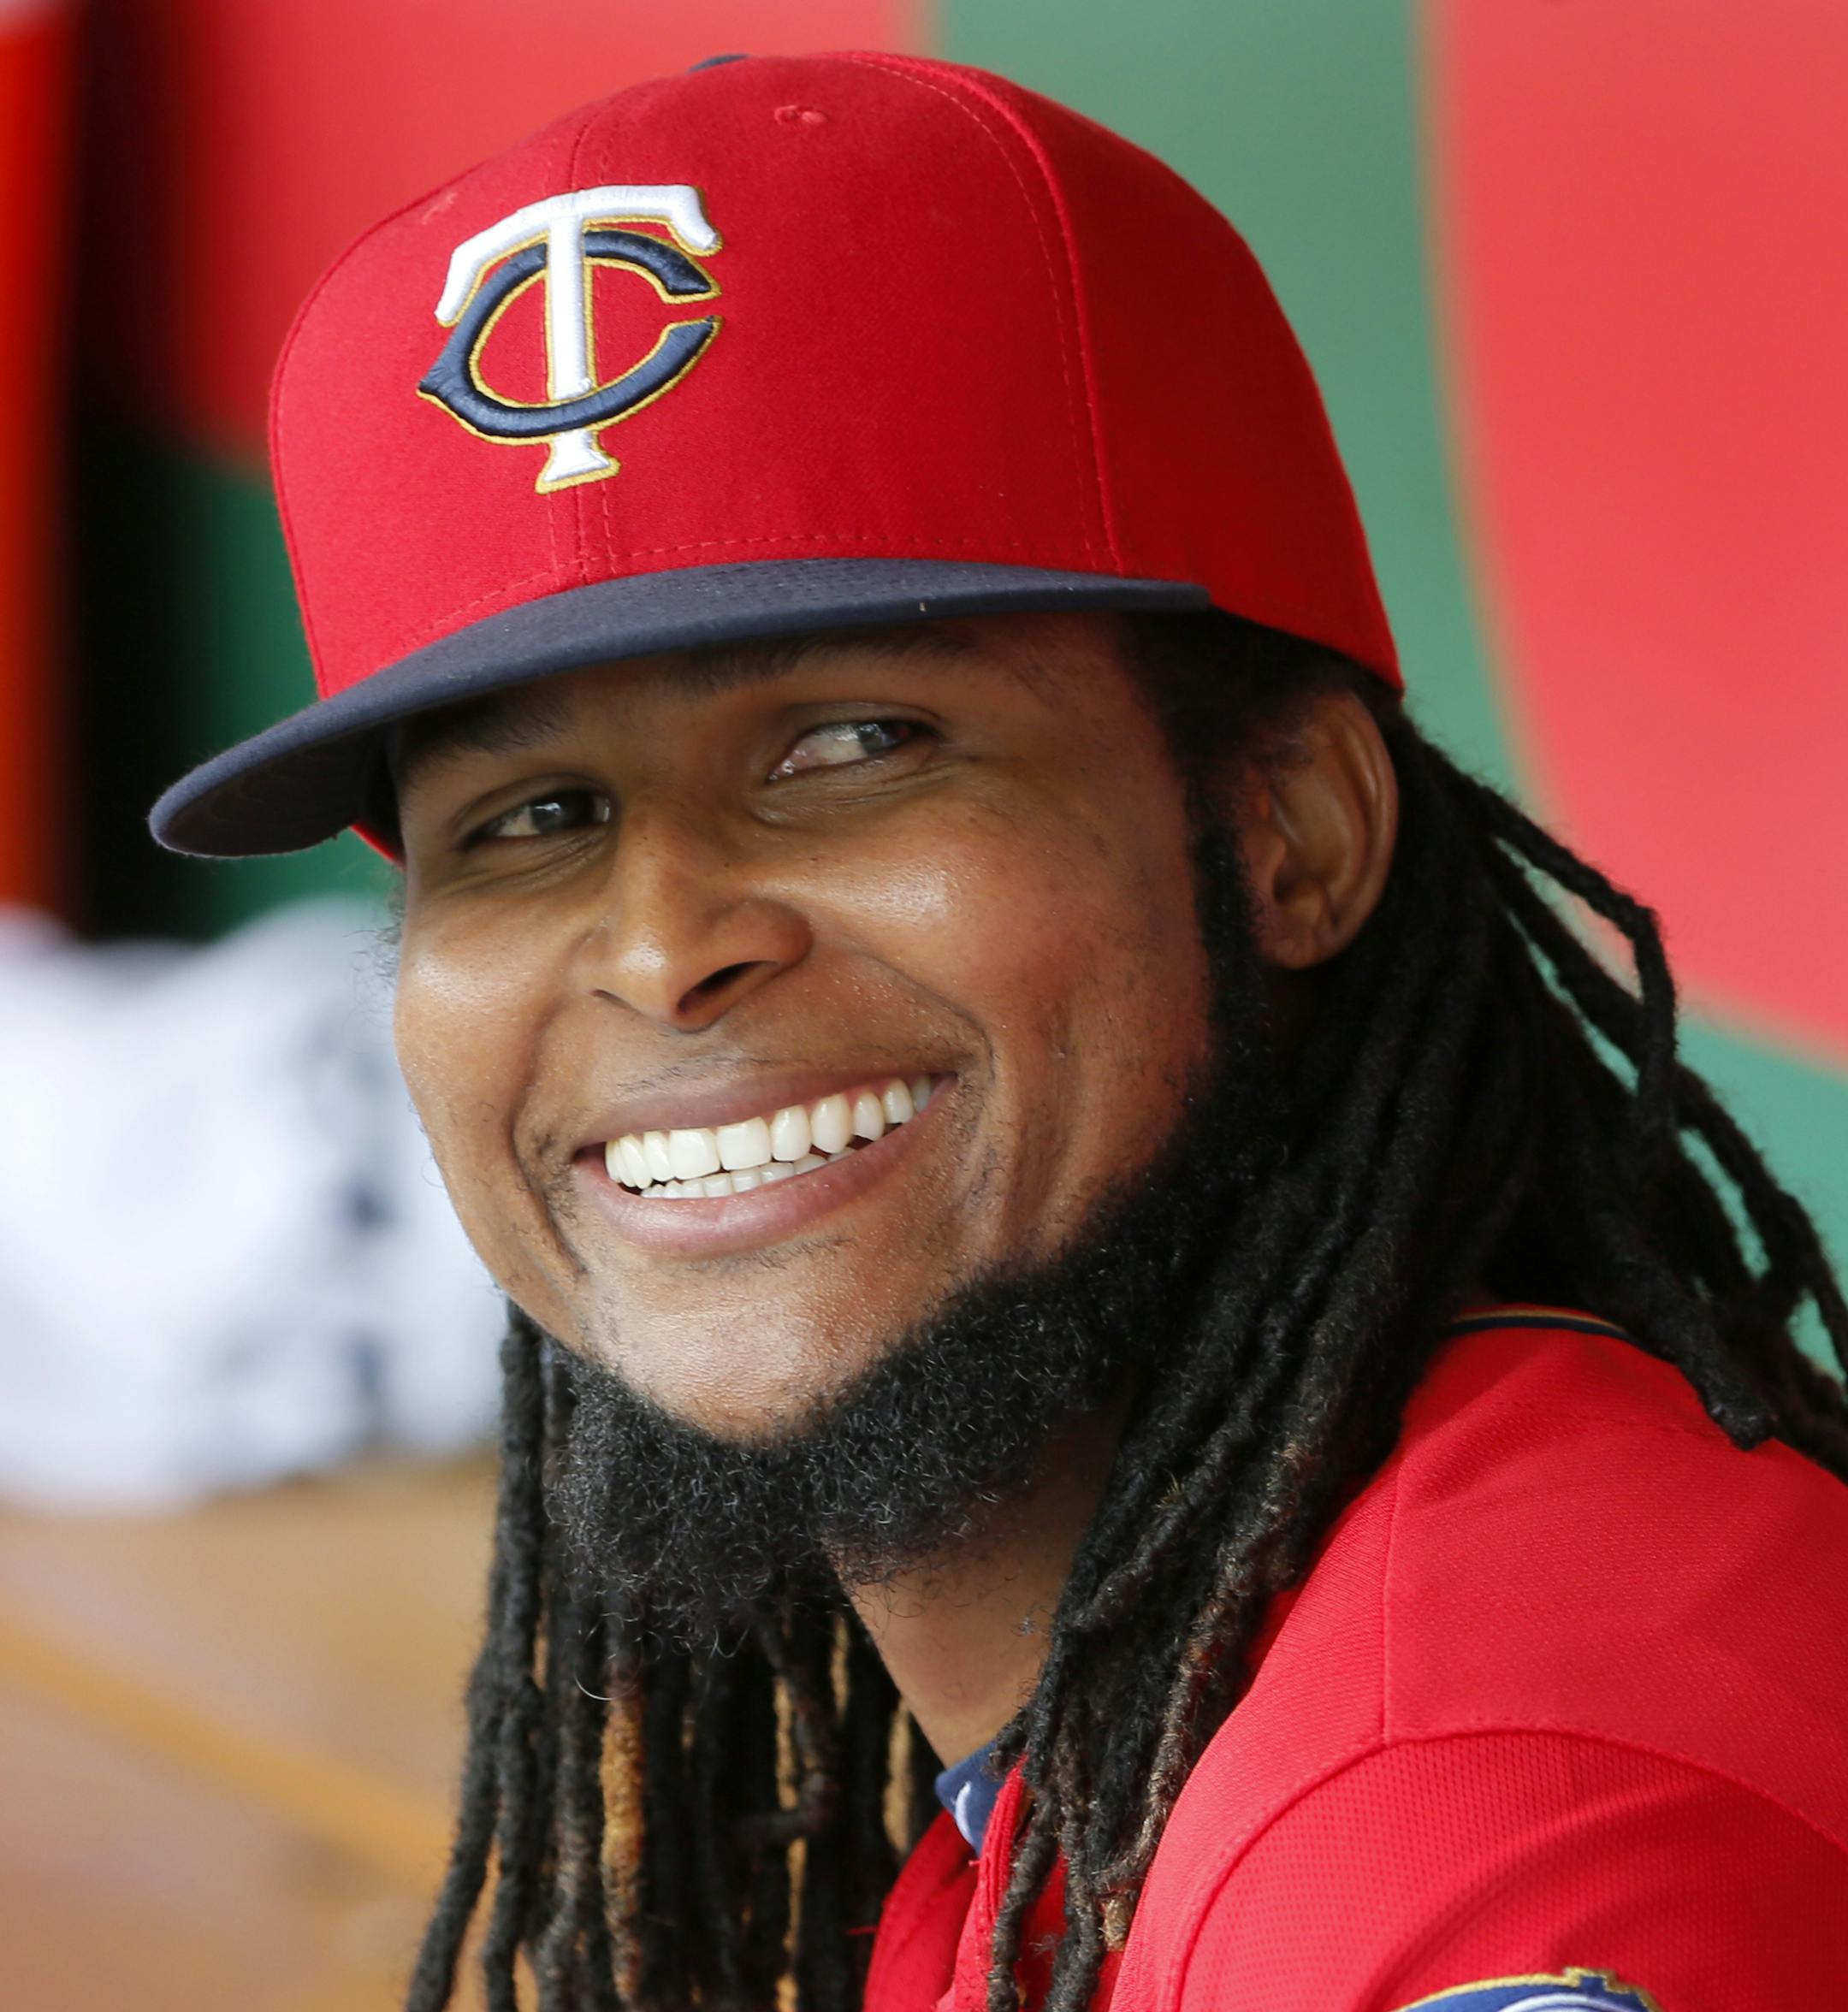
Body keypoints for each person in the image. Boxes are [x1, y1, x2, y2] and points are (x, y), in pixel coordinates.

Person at [151, 51, 1848, 2012]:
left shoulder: (1479, 1840)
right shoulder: (1164, 1730)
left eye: (855, 745)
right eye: (530, 821)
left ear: (1295, 828)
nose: (659, 945)